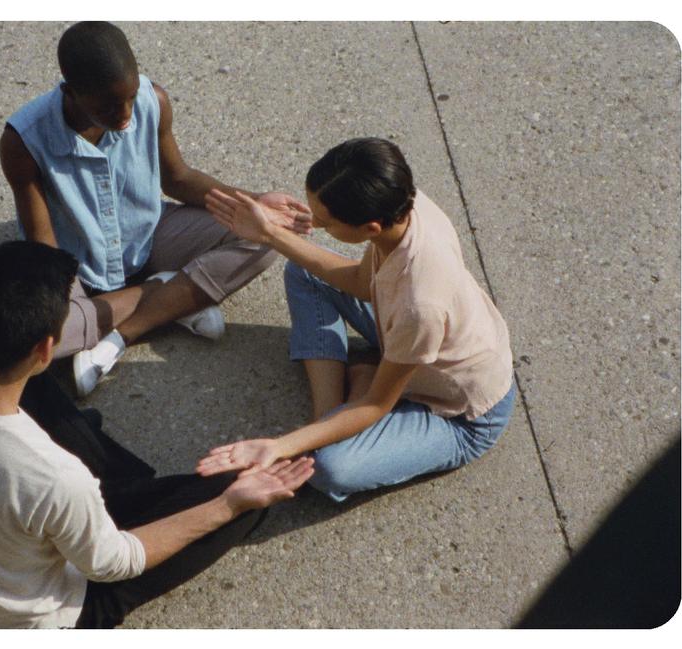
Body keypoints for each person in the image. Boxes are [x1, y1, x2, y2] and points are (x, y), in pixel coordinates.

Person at [0, 241, 313, 628]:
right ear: (47, 348)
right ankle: (138, 495)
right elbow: (114, 564)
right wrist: (229, 504)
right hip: (33, 619)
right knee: (242, 494)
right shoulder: (55, 477)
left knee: (29, 386)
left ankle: (114, 488)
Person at [0, 21, 311, 397]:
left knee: (263, 237)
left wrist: (256, 202)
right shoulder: (23, 141)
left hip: (147, 237)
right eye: (109, 106)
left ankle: (121, 335)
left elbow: (177, 179)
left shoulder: (154, 101)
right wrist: (52, 309)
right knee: (28, 340)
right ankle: (170, 294)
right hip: (75, 269)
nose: (126, 113)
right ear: (71, 92)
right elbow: (43, 252)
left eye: (130, 96)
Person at [198, 138, 515, 502]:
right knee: (305, 272)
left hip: (460, 415)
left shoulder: (419, 304)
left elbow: (375, 405)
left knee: (329, 469)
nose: (314, 223)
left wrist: (279, 446)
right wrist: (271, 233)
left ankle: (348, 399)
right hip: (410, 337)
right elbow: (363, 284)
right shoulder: (404, 203)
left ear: (371, 228)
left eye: (327, 222)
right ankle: (334, 413)